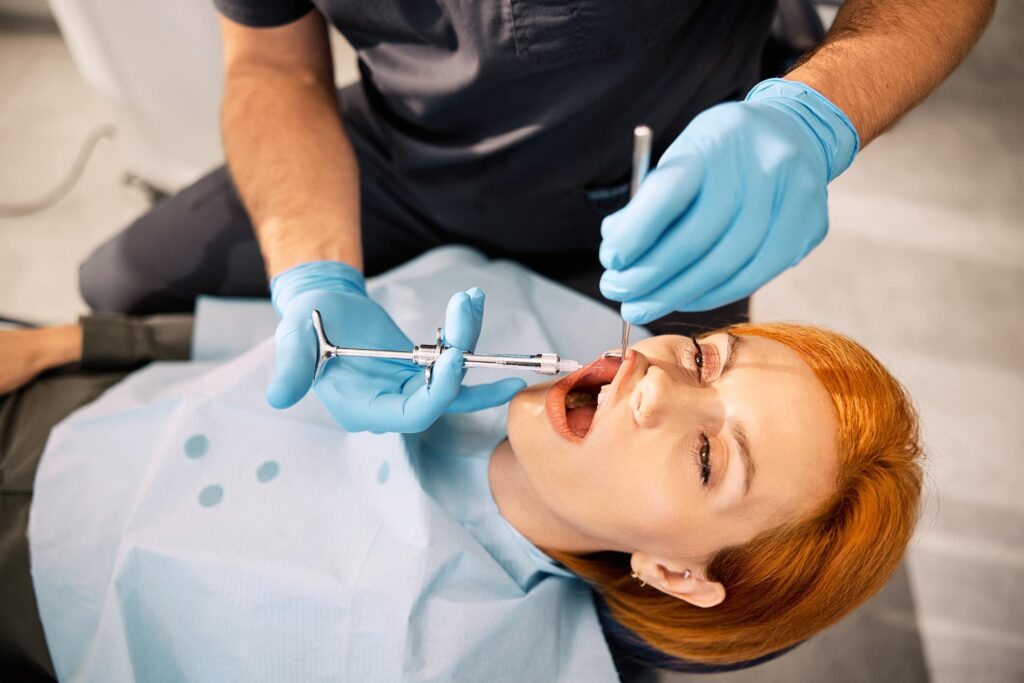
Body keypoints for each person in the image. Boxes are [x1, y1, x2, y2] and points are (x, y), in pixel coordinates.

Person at [76, 0, 994, 435]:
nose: (651, 390)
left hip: (672, 195)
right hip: (402, 156)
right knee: (121, 286)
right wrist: (314, 271)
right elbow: (273, 68)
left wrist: (817, 114)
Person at [0, 296, 922, 679]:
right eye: (704, 357)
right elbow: (275, 329)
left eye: (710, 458)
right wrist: (57, 344)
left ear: (679, 573)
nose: (655, 382)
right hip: (78, 409)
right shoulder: (532, 318)